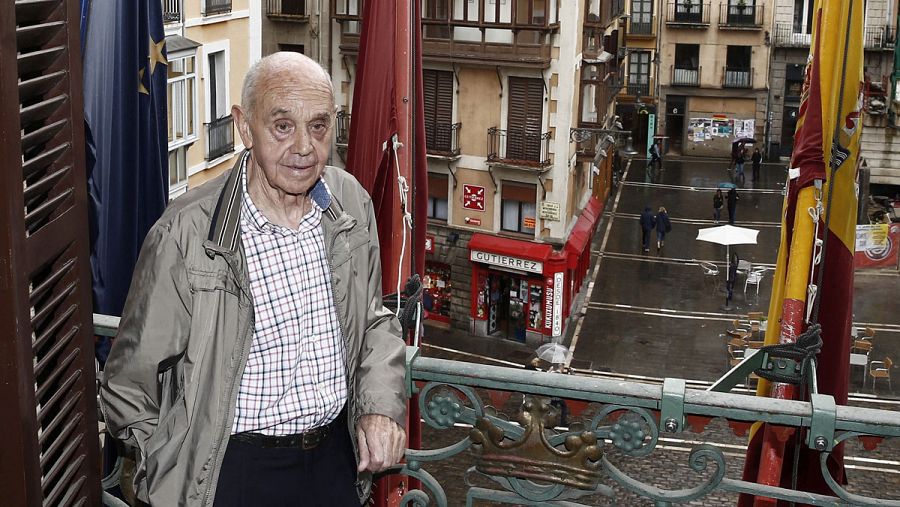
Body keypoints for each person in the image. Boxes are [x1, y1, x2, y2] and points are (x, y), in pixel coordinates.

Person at [100, 53, 407, 506]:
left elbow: (374, 322)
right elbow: (128, 384)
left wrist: (379, 406)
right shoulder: (186, 234)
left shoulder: (350, 205)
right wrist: (167, 473)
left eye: (319, 126)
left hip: (333, 463)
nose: (304, 146)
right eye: (283, 126)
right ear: (245, 127)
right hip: (232, 472)